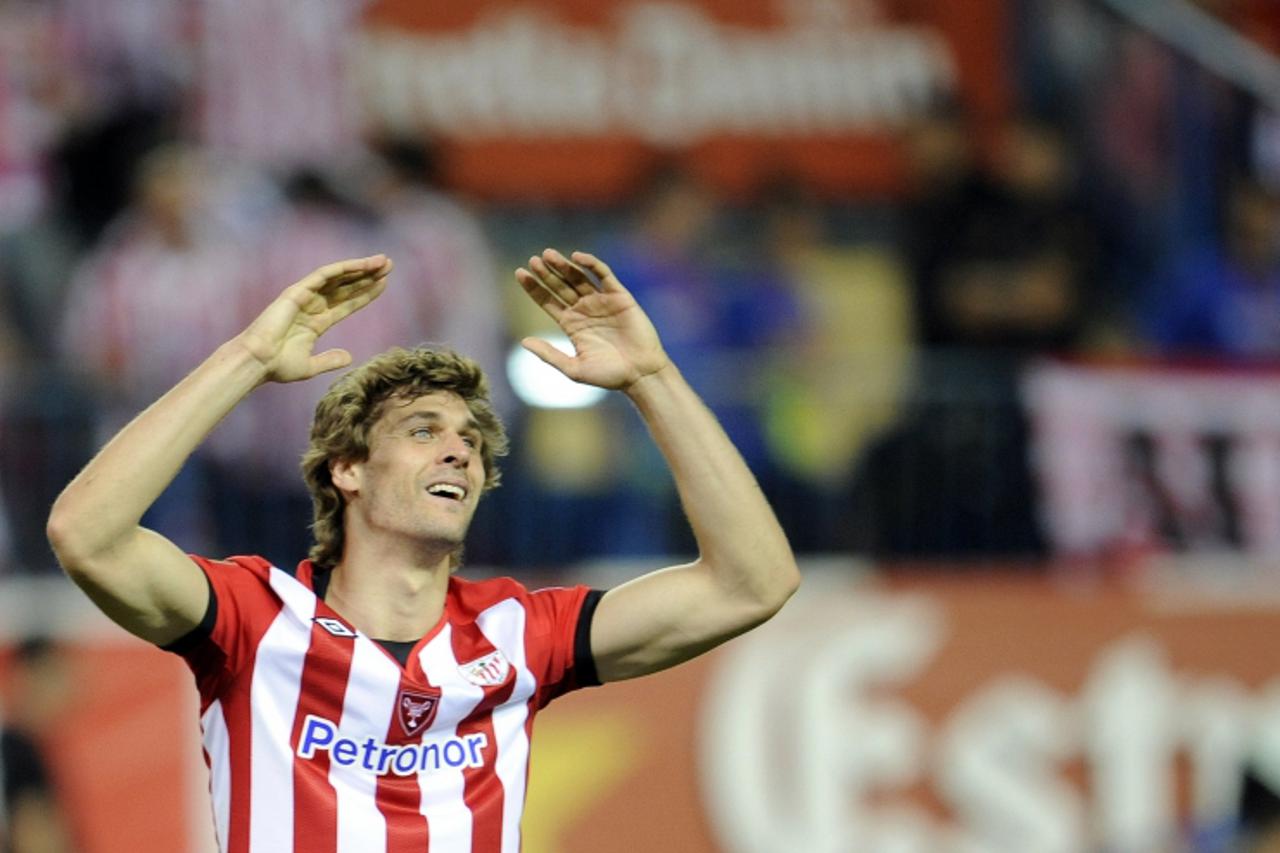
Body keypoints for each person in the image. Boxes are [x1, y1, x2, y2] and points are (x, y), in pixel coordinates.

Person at [45, 249, 800, 851]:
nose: (458, 452)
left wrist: (652, 378)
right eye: (423, 431)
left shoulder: (520, 635)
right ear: (348, 469)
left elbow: (753, 582)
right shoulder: (256, 619)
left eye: (470, 440)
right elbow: (86, 534)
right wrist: (246, 357)